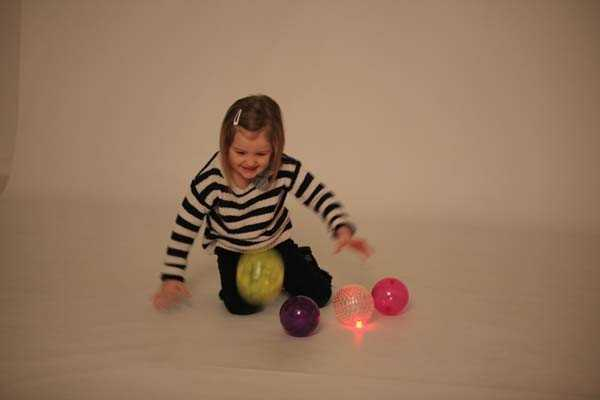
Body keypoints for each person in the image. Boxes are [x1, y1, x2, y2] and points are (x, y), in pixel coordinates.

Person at [152, 94, 373, 314]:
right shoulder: (211, 180)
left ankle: (302, 259)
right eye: (240, 152)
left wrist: (341, 227)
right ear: (226, 146)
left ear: (275, 149)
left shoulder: (284, 169)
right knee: (240, 307)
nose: (250, 161)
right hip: (233, 249)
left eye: (261, 153)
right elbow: (185, 226)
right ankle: (243, 286)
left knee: (320, 294)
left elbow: (318, 195)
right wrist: (172, 276)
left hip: (274, 242)